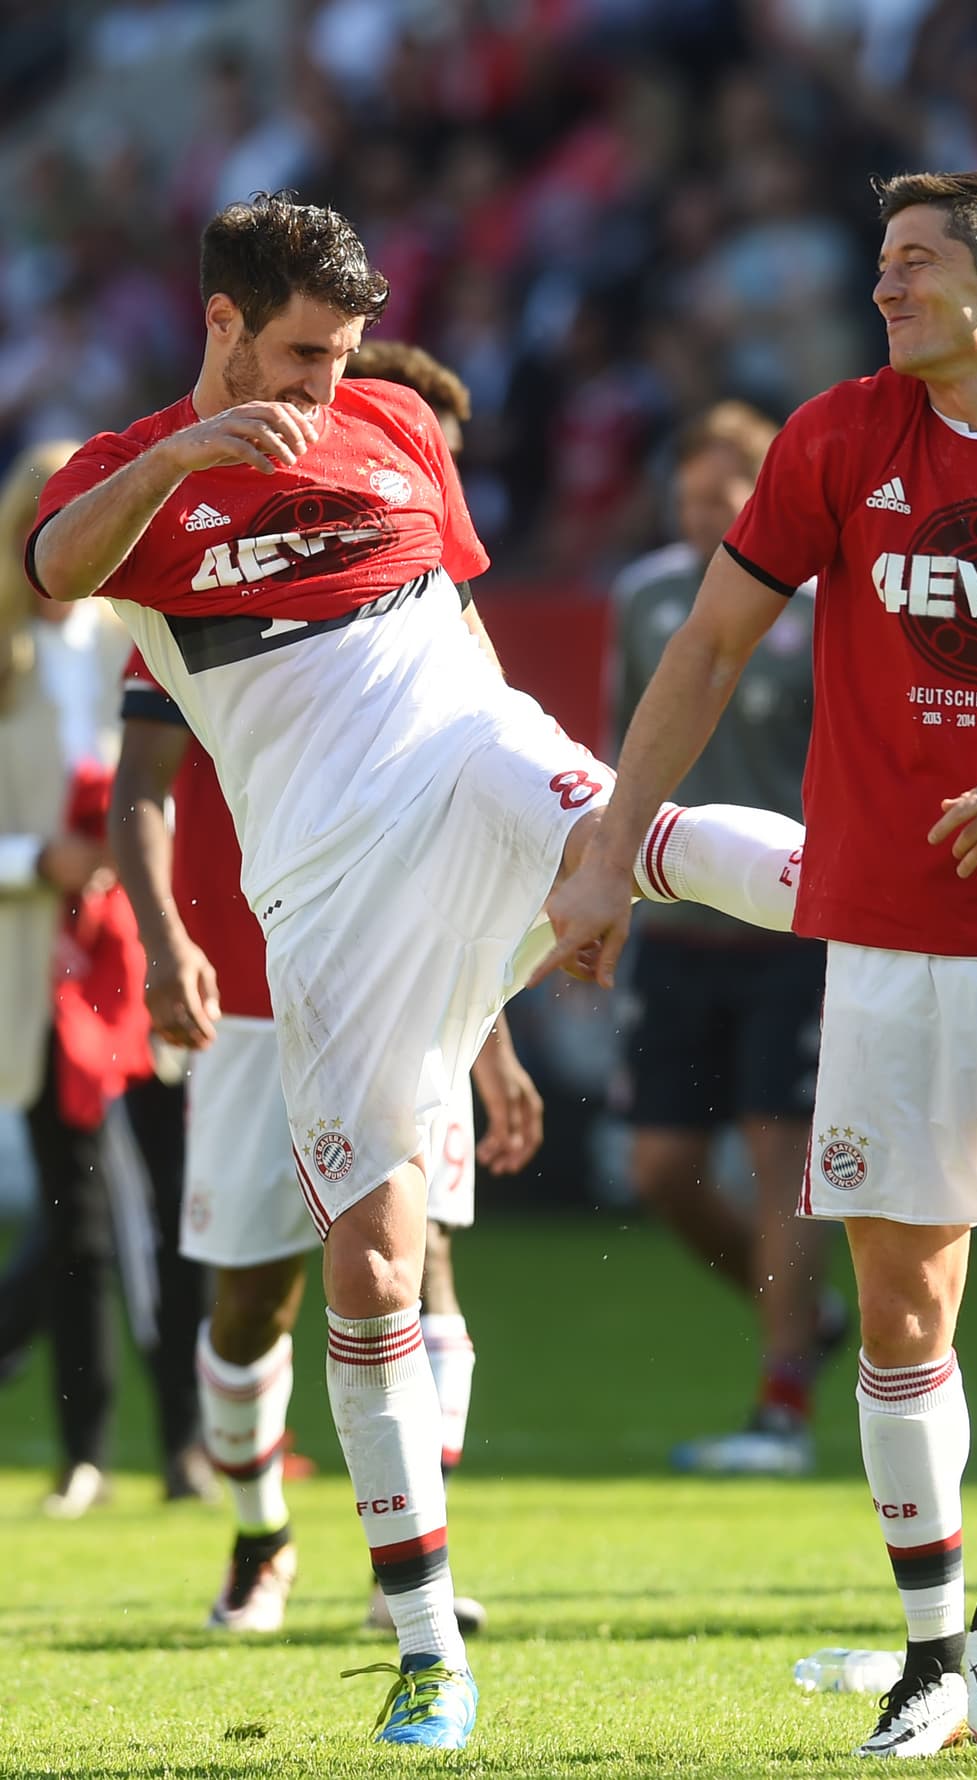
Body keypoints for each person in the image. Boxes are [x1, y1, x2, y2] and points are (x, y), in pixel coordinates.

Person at [27, 192, 805, 1751]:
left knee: (646, 835)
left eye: (347, 355)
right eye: (302, 355)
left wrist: (540, 873)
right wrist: (183, 456)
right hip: (324, 900)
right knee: (365, 1270)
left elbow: (456, 623)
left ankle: (929, 901)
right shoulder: (129, 478)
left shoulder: (392, 420)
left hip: (473, 757)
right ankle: (427, 1646)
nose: (327, 390)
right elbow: (49, 568)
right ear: (221, 323)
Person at [536, 168, 977, 1758]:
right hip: (887, 946)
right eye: (880, 263)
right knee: (903, 1310)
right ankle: (935, 1651)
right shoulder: (837, 437)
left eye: (915, 265)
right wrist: (605, 853)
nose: (884, 290)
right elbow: (708, 645)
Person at [109, 337, 540, 1637]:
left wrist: (495, 1031)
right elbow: (139, 792)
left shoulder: (434, 627)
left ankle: (413, 1574)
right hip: (253, 988)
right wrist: (160, 934)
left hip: (409, 982)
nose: (422, 494)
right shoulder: (214, 585)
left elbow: (484, 824)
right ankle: (259, 1534)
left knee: (423, 1269)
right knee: (252, 1296)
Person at [611, 400, 839, 1478]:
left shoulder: (820, 600)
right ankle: (800, 1315)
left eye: (723, 493)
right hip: (677, 921)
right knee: (660, 1168)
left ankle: (781, 1398)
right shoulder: (644, 595)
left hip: (795, 926)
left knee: (779, 1153)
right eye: (690, 493)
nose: (703, 510)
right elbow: (627, 743)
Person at [0, 440, 213, 1516]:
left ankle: (187, 1445)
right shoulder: (6, 657)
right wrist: (39, 862)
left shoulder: (129, 635)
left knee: (181, 1208)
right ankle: (83, 1451)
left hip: (137, 960)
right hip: (33, 976)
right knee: (74, 1222)